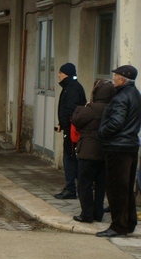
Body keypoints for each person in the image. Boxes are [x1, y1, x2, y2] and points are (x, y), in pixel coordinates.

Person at [96, 65, 141, 237]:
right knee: (126, 187)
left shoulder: (121, 97)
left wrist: (102, 132)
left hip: (118, 148)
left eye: (115, 76)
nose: (113, 78)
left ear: (122, 79)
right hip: (130, 146)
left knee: (116, 189)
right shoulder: (135, 94)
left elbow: (116, 122)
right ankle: (129, 222)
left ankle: (118, 226)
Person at [71, 80, 115, 223]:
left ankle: (87, 214)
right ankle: (98, 213)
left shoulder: (92, 108)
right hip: (105, 150)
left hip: (88, 150)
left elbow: (77, 120)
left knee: (85, 183)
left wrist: (79, 108)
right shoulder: (113, 108)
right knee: (101, 184)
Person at [54, 62, 86, 199]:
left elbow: (71, 110)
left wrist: (66, 124)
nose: (58, 75)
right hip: (68, 127)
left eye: (60, 73)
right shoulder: (69, 86)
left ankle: (71, 188)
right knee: (71, 157)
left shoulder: (72, 88)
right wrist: (61, 123)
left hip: (72, 129)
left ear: (66, 74)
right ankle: (80, 185)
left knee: (69, 157)